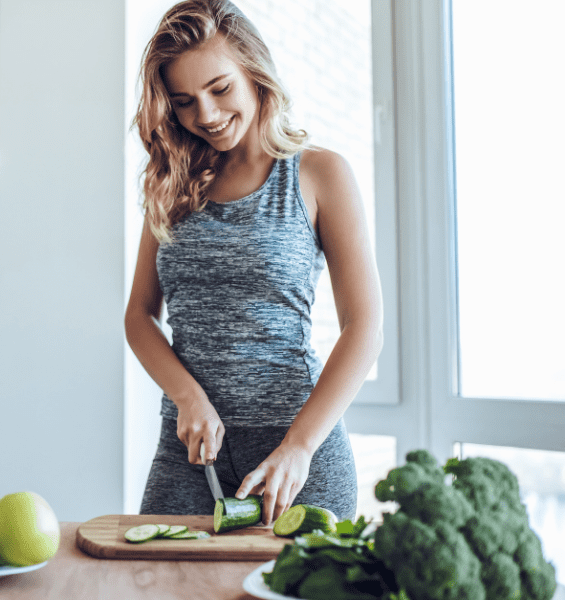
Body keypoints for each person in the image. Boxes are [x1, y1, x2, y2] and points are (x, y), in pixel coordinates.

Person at [126, 0, 384, 526]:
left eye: (220, 89)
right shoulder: (169, 185)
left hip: (296, 452)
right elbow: (138, 316)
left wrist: (300, 446)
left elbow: (365, 326)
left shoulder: (319, 174)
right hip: (189, 453)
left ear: (254, 71)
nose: (207, 115)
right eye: (184, 101)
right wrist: (187, 396)